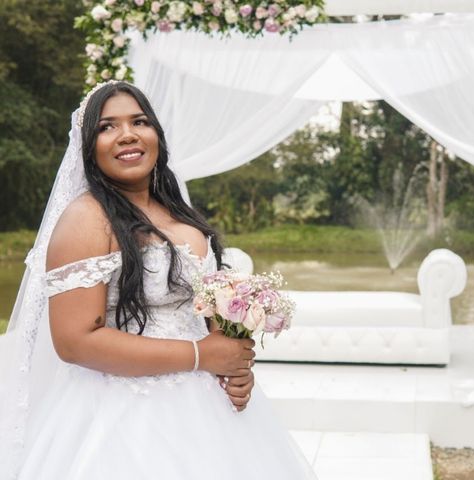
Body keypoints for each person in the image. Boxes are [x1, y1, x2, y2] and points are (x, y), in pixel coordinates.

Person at [0, 81, 316, 479]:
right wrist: (202, 355)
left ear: (157, 136)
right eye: (106, 127)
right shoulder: (86, 219)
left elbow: (205, 308)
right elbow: (74, 340)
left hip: (209, 415)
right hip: (120, 414)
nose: (127, 134)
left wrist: (234, 366)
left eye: (139, 121)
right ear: (87, 148)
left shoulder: (179, 213)